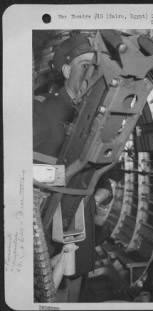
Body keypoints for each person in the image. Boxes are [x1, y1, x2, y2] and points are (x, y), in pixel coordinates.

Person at [33, 33, 113, 301]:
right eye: (84, 66)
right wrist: (65, 173)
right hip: (48, 228)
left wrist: (101, 193)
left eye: (95, 67)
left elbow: (104, 174)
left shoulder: (95, 117)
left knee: (74, 293)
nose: (91, 75)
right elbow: (20, 173)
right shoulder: (42, 112)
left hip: (81, 228)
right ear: (67, 70)